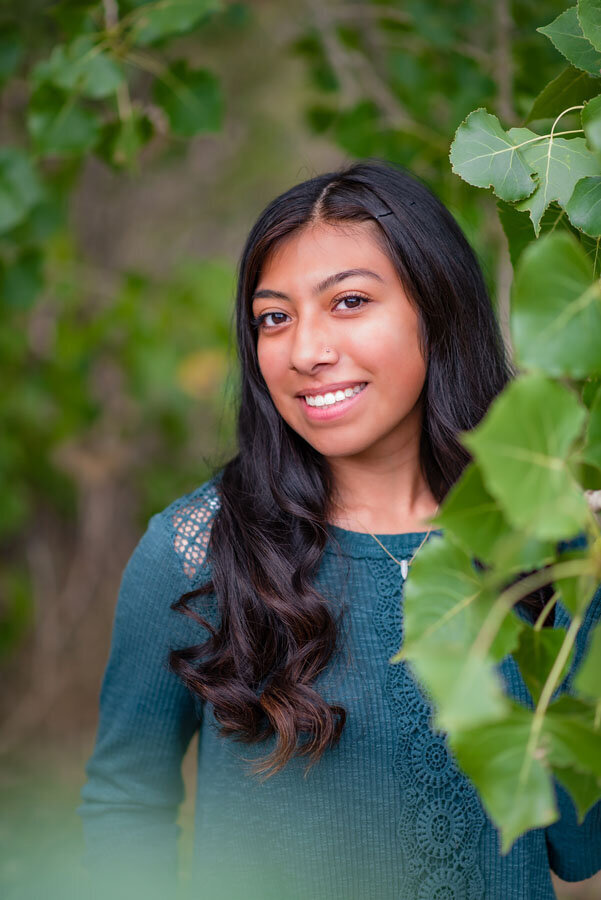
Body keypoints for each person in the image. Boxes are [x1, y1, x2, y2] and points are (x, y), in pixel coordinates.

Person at [77, 159, 601, 900]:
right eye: (274, 317)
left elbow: (576, 847)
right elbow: (126, 806)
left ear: (437, 306)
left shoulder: (544, 538)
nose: (304, 351)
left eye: (348, 302)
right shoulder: (196, 550)